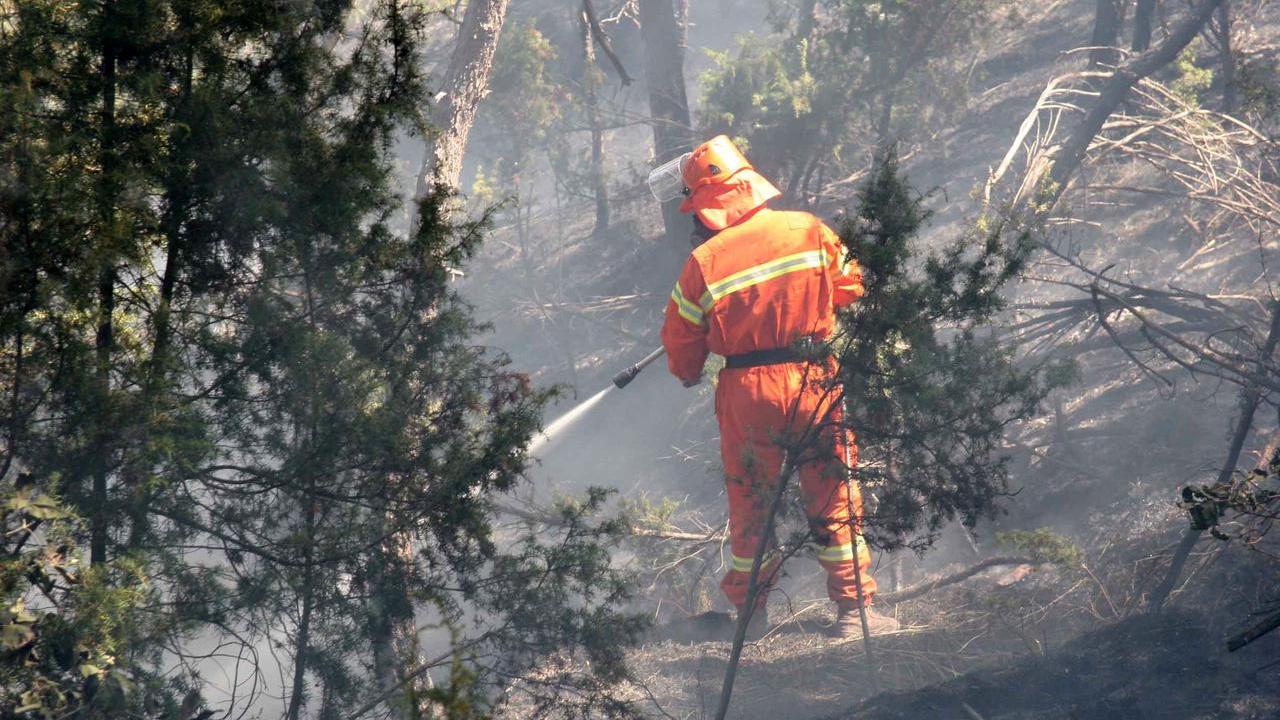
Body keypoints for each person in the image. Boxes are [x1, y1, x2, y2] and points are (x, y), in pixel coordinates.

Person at [651, 135, 898, 640]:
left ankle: (751, 618)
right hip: (815, 378)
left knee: (752, 500)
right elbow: (851, 287)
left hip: (748, 391)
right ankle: (855, 613)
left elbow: (681, 343)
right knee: (833, 490)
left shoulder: (704, 262)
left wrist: (689, 370)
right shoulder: (808, 229)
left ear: (707, 206)